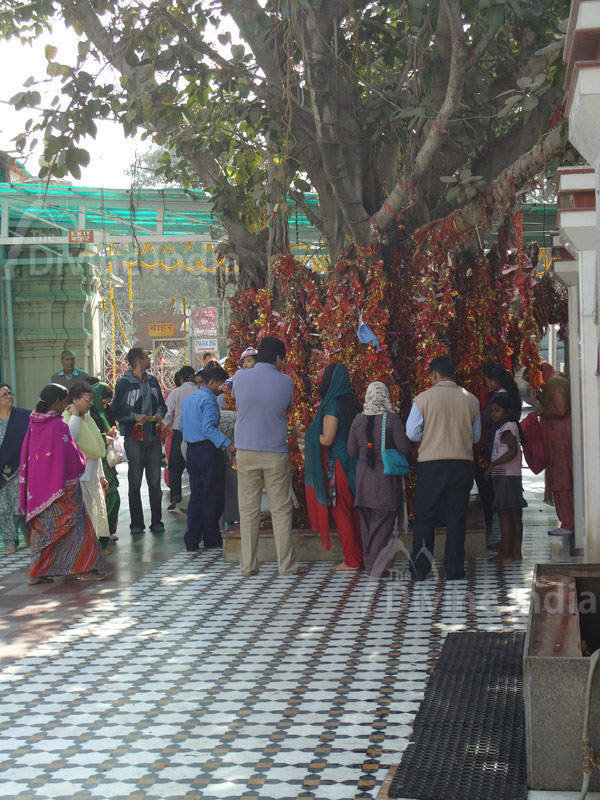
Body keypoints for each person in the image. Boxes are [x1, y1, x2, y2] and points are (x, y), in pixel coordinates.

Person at [19, 384, 106, 584]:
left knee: (43, 533)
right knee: (78, 528)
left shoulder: (33, 423)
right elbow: (72, 455)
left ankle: (38, 573)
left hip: (39, 491)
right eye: (65, 401)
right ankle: (84, 568)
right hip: (62, 489)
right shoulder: (58, 425)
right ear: (57, 402)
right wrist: (82, 462)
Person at [406, 356, 481, 581]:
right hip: (461, 465)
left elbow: (411, 433)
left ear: (435, 374)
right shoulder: (472, 400)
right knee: (457, 517)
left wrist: (430, 435)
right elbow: (476, 437)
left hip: (431, 465)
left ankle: (420, 569)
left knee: (425, 517)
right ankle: (454, 569)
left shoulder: (422, 399)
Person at [232, 336, 300, 577]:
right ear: (278, 358)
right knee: (281, 509)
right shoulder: (285, 382)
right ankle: (286, 566)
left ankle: (248, 565)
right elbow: (287, 409)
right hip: (274, 452)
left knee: (248, 510)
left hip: (246, 452)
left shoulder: (239, 377)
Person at [347, 382, 412, 578]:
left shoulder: (358, 420)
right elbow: (405, 448)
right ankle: (378, 566)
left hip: (363, 477)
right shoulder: (391, 419)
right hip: (384, 479)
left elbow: (351, 451)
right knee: (383, 522)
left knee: (368, 523)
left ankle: (370, 563)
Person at [305, 363, 363, 571]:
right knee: (355, 512)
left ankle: (352, 560)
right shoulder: (353, 402)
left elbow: (327, 438)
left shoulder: (333, 405)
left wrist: (306, 435)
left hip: (338, 465)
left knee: (342, 512)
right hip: (354, 463)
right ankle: (360, 555)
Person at [111, 347, 167, 534]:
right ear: (138, 360)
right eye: (146, 357)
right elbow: (116, 412)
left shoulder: (152, 381)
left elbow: (162, 405)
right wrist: (134, 416)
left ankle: (157, 521)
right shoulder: (124, 384)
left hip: (153, 437)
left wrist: (159, 414)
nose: (149, 360)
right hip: (134, 439)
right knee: (135, 482)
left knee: (155, 482)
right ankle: (136, 523)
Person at [180, 364, 233, 551]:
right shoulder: (210, 402)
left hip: (191, 451)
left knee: (196, 496)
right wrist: (229, 444)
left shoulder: (188, 400)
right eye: (220, 385)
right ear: (211, 383)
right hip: (207, 452)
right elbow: (208, 429)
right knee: (212, 496)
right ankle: (211, 538)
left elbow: (181, 425)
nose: (222, 389)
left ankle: (192, 539)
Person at [63, 382, 111, 553]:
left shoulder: (88, 418)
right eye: (87, 400)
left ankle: (93, 549)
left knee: (94, 514)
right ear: (75, 400)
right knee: (84, 517)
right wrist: (75, 415)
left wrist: (101, 474)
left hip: (91, 476)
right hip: (79, 478)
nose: (90, 403)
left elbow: (95, 448)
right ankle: (84, 553)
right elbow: (71, 438)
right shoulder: (68, 417)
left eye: (91, 400)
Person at [476, 363, 523, 529]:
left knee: (505, 507)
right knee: (510, 508)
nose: (486, 384)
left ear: (495, 381)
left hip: (504, 465)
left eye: (487, 381)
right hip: (510, 467)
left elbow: (485, 421)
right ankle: (508, 545)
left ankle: (509, 549)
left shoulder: (498, 399)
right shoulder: (511, 396)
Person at [484, 394, 526, 561]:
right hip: (512, 476)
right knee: (514, 514)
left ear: (507, 412)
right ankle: (516, 552)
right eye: (492, 411)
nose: (494, 414)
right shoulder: (509, 427)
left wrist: (492, 466)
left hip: (505, 477)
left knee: (505, 514)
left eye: (497, 410)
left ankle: (507, 553)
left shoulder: (506, 429)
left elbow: (512, 452)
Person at [539, 371, 574, 536]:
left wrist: (543, 412)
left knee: (562, 480)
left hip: (560, 441)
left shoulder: (554, 384)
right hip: (560, 439)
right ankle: (568, 522)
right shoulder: (556, 382)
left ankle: (567, 523)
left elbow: (560, 409)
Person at [0, 384, 30, 554]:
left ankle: (27, 532)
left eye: (10, 393)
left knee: (21, 505)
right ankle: (10, 540)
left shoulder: (23, 416)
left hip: (20, 468)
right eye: (4, 395)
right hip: (0, 472)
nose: (9, 396)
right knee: (3, 508)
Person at [163, 365, 197, 510]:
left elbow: (168, 412)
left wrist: (163, 427)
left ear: (181, 378)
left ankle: (176, 495)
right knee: (195, 467)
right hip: (197, 434)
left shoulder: (176, 392)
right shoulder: (199, 390)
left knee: (175, 467)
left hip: (179, 433)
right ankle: (195, 496)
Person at [90, 382, 121, 540]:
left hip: (107, 457)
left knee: (112, 493)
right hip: (97, 459)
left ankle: (107, 531)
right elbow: (91, 437)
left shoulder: (106, 410)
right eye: (103, 401)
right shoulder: (90, 413)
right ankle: (101, 534)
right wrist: (105, 435)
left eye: (108, 402)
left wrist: (113, 432)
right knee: (108, 494)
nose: (105, 405)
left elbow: (112, 425)